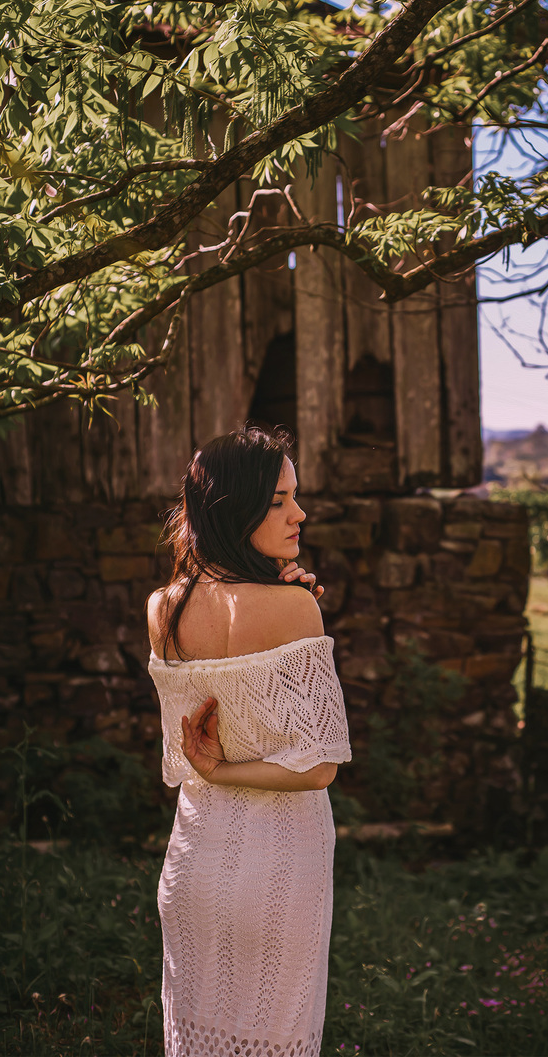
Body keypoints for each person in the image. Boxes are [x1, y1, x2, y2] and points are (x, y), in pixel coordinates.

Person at [145, 424, 352, 1057]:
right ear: (234, 508)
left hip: (194, 864)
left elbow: (193, 744)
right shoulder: (295, 609)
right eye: (278, 501)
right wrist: (227, 770)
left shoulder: (163, 607)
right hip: (279, 869)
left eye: (295, 496)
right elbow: (318, 768)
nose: (300, 512)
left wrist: (279, 588)